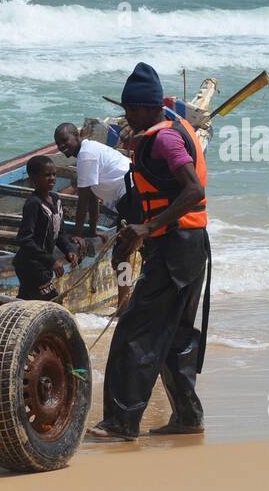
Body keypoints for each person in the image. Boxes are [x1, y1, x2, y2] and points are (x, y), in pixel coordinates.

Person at [88, 63, 211, 441]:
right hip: (190, 244)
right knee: (175, 335)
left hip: (176, 247)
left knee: (136, 331)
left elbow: (193, 190)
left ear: (146, 109)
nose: (126, 119)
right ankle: (188, 417)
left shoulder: (164, 141)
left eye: (130, 111)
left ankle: (121, 422)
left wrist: (149, 227)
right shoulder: (175, 126)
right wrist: (145, 232)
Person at [54, 121, 137, 312]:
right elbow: (92, 198)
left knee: (121, 254)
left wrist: (77, 234)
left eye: (65, 141)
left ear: (78, 136)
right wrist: (91, 231)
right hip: (131, 194)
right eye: (58, 144)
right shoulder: (88, 151)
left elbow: (83, 200)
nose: (62, 147)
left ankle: (124, 305)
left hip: (131, 194)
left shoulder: (86, 155)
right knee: (131, 248)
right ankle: (127, 301)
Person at [12, 156, 79, 300]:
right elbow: (24, 239)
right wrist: (51, 261)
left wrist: (69, 250)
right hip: (31, 265)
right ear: (34, 178)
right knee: (53, 301)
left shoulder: (56, 200)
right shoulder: (33, 204)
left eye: (54, 174)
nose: (52, 178)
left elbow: (59, 233)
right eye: (47, 175)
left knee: (27, 301)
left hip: (43, 265)